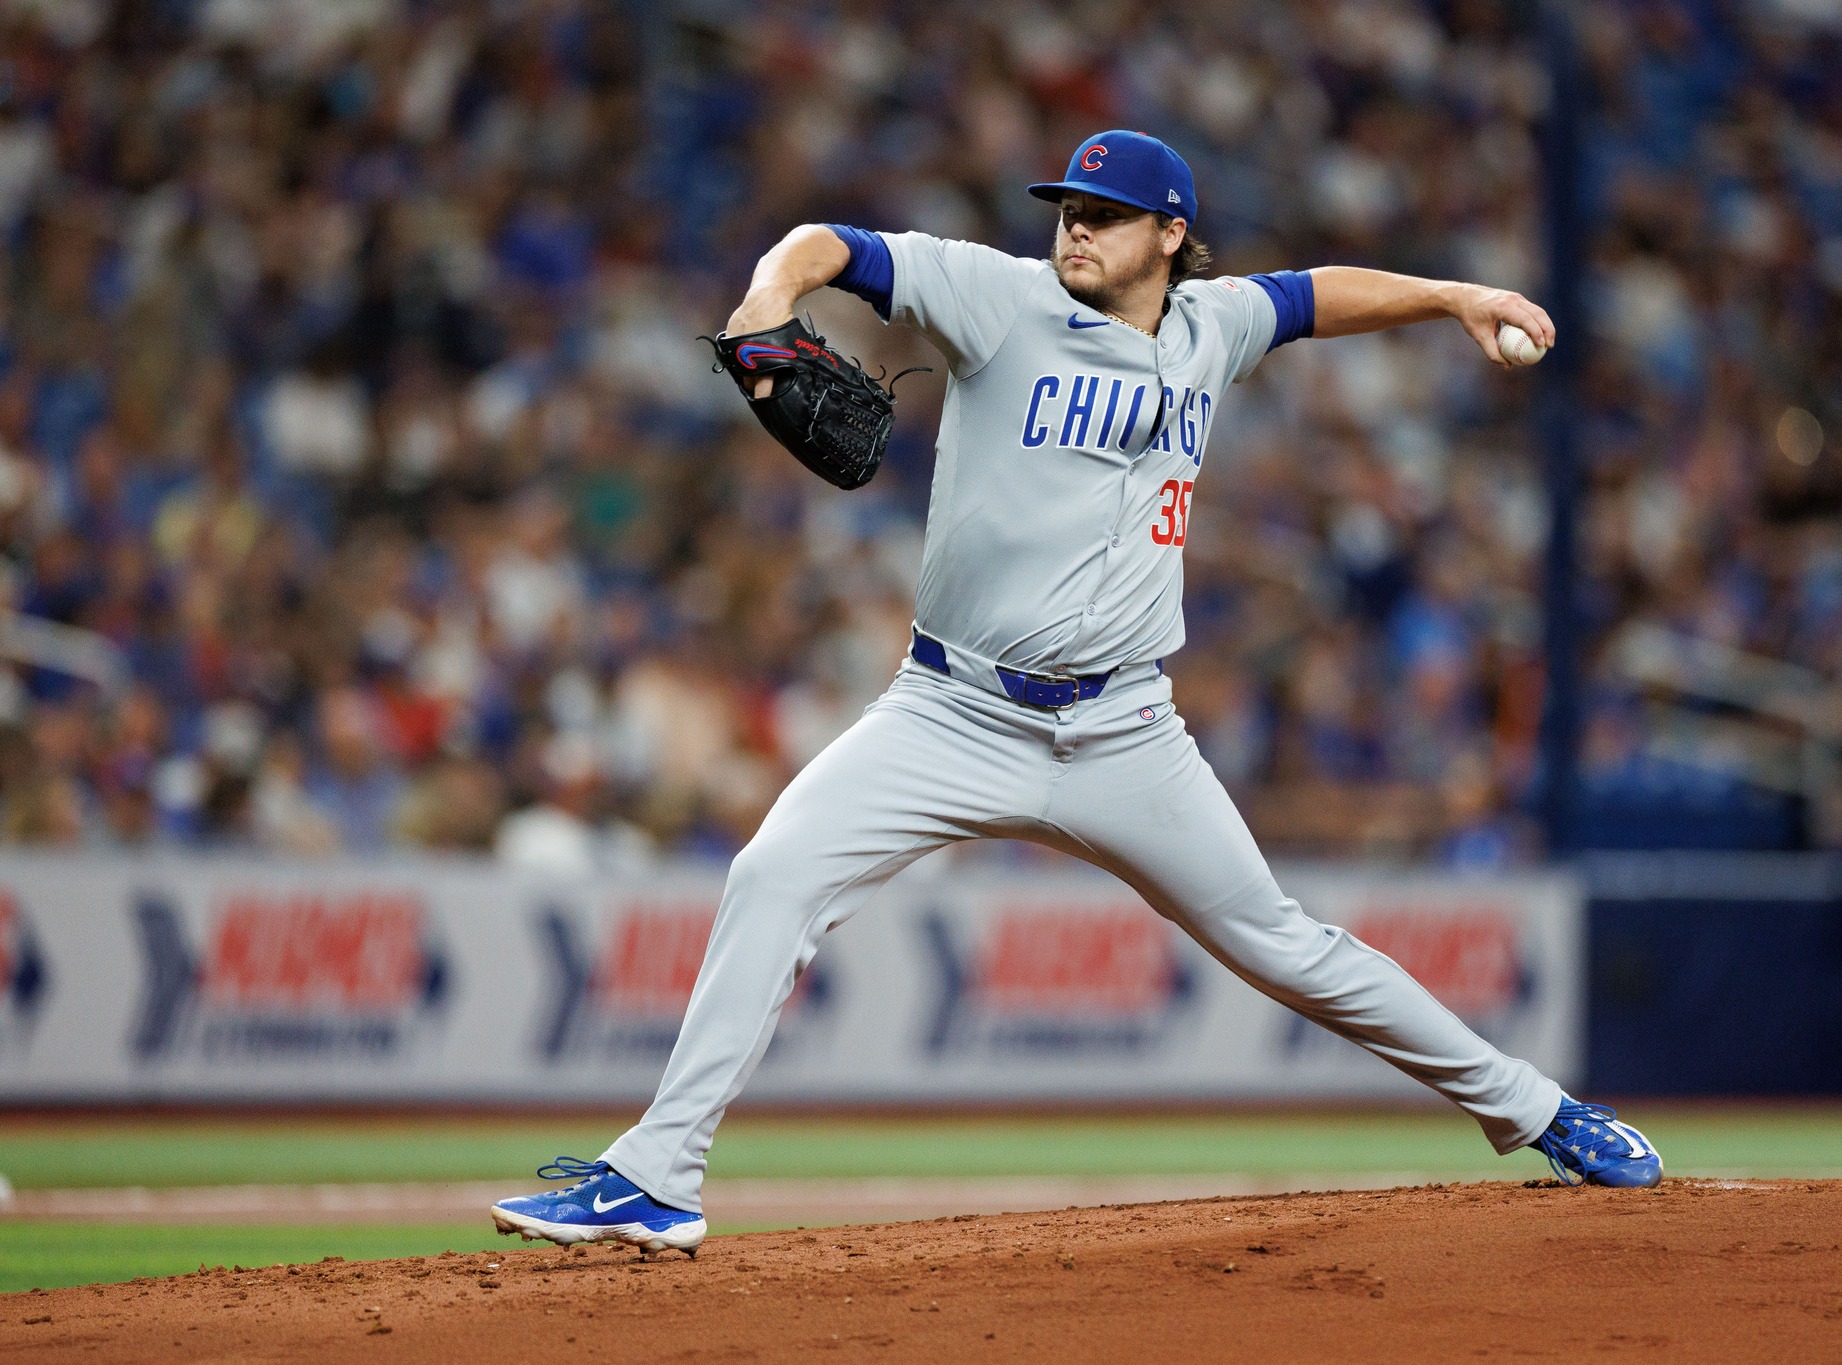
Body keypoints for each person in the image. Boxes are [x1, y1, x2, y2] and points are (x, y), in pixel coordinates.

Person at [489, 131, 1660, 1256]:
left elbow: (1313, 296)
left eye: (1102, 215)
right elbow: (830, 245)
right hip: (949, 711)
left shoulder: (1212, 323)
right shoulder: (997, 297)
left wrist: (1455, 297)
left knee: (1283, 944)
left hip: (1123, 730)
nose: (1073, 231)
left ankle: (1541, 1112)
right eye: (1065, 211)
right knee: (773, 875)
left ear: (1169, 234)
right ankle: (658, 1176)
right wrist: (765, 299)